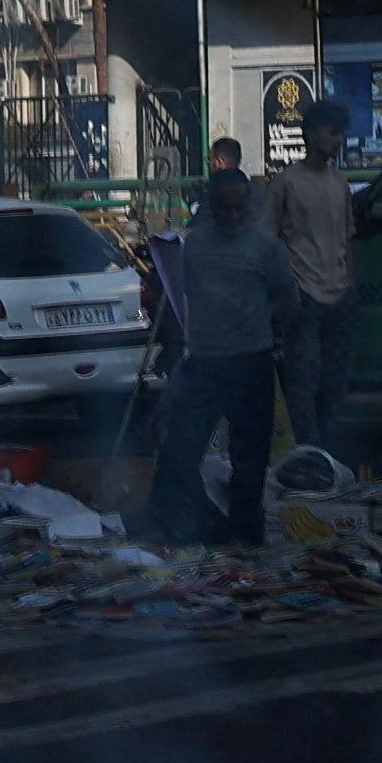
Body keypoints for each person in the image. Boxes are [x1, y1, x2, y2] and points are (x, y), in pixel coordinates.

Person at [139, 172, 298, 547]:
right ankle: (164, 528)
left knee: (250, 458)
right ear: (210, 206)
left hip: (251, 363)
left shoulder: (267, 248)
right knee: (180, 449)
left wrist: (270, 340)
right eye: (223, 207)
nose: (231, 214)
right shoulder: (194, 246)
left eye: (238, 207)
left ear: (248, 206)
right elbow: (191, 293)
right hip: (207, 363)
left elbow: (287, 302)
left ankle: (244, 536)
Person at [262, 101, 358, 467]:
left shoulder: (340, 183)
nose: (338, 139)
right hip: (303, 296)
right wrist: (286, 291)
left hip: (340, 295)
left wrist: (350, 284)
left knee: (335, 381)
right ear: (312, 133)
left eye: (340, 132)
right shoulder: (286, 182)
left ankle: (326, 456)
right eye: (332, 131)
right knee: (301, 383)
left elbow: (347, 240)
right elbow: (267, 240)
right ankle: (307, 457)